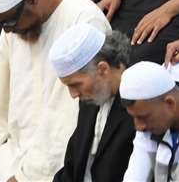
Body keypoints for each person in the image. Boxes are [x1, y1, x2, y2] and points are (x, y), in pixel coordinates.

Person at [0, 0, 111, 180]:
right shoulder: (13, 27)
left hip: (61, 162)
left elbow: (67, 120)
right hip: (13, 152)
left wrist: (24, 177)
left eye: (9, 23)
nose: (8, 31)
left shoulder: (84, 21)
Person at [50, 24, 136, 182]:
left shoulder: (141, 104)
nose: (73, 94)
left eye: (75, 84)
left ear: (102, 69)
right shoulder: (91, 100)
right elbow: (72, 166)